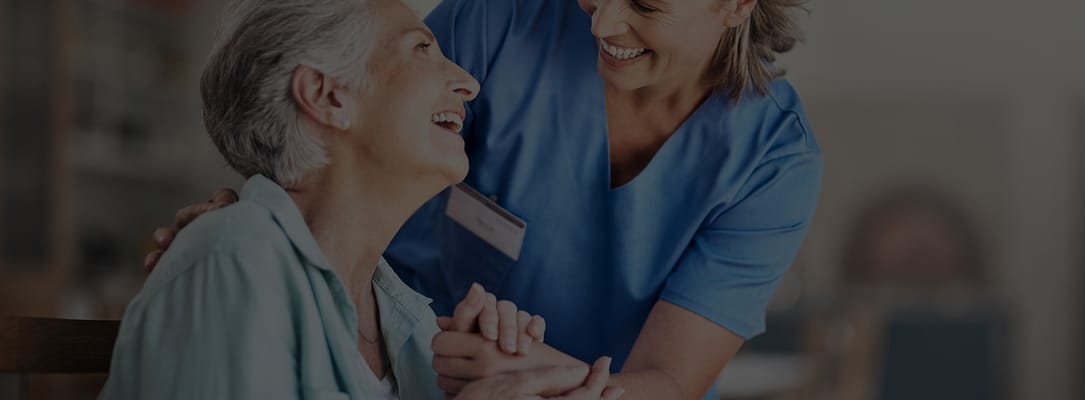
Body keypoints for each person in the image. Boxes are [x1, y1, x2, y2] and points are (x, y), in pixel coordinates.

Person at [149, 0, 822, 398]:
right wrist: (264, 230)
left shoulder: (770, 159)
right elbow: (346, 147)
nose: (601, 20)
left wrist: (530, 376)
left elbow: (667, 382)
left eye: (645, 2)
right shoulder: (504, 21)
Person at [102, 0, 621, 398]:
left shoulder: (415, 329)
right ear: (329, 97)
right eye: (422, 48)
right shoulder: (235, 259)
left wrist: (526, 375)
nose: (467, 82)